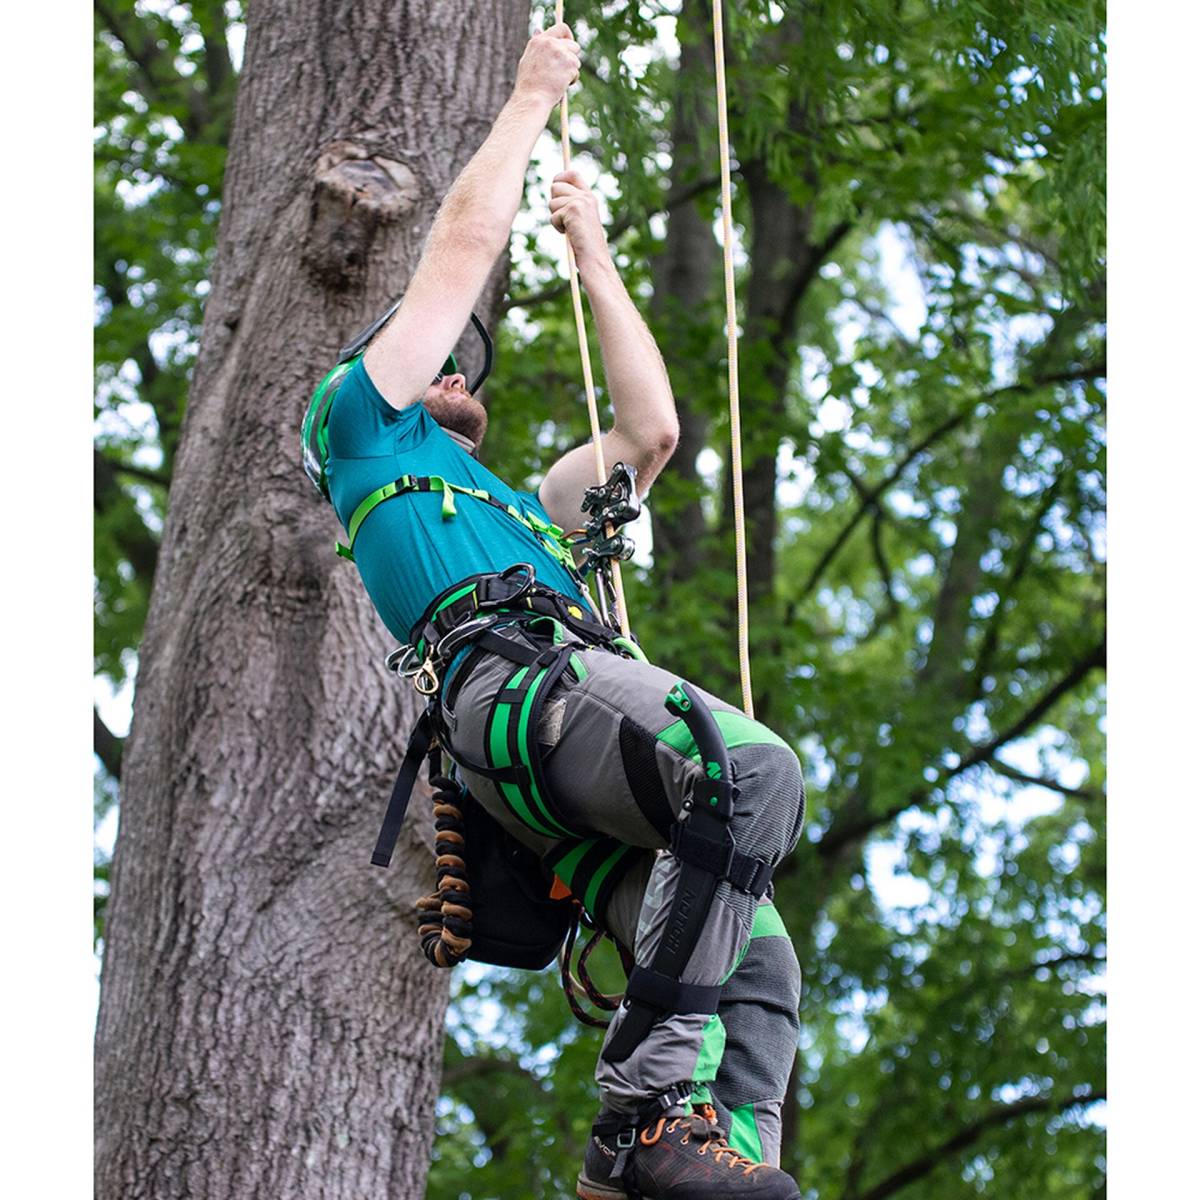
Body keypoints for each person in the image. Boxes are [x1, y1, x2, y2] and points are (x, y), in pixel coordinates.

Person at [310, 23, 806, 1200]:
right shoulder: (359, 423)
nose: (456, 375)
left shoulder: (532, 517)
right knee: (748, 771)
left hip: (555, 719)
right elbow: (467, 240)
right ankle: (644, 1115)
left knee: (762, 955)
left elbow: (651, 436)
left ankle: (706, 1169)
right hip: (510, 691)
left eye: (462, 370)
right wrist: (535, 92)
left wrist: (592, 254)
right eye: (436, 363)